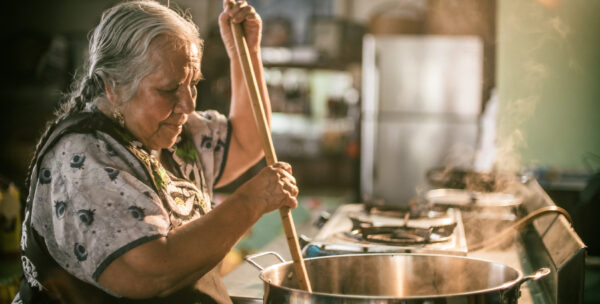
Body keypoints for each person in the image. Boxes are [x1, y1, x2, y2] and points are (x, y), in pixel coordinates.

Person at [13, 0, 298, 303]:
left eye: (193, 85)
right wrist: (249, 202)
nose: (188, 106)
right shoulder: (81, 159)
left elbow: (248, 140)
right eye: (168, 89)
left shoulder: (171, 132)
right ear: (113, 86)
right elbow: (148, 273)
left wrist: (246, 51)